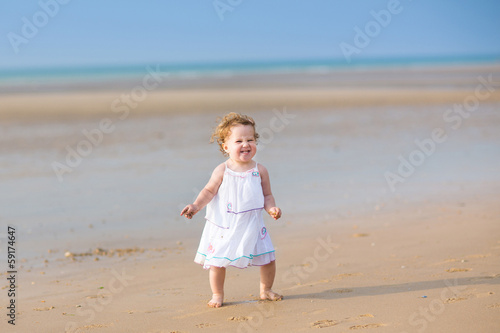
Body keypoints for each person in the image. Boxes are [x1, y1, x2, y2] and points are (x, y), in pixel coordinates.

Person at [180, 112, 283, 308]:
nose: (246, 144)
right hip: (225, 225)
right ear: (226, 147)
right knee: (217, 262)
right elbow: (209, 191)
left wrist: (272, 209)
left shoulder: (260, 170)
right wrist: (195, 206)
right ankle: (217, 294)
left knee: (268, 258)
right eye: (239, 141)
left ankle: (266, 289)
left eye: (250, 139)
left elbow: (267, 195)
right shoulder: (222, 170)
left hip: (252, 224)